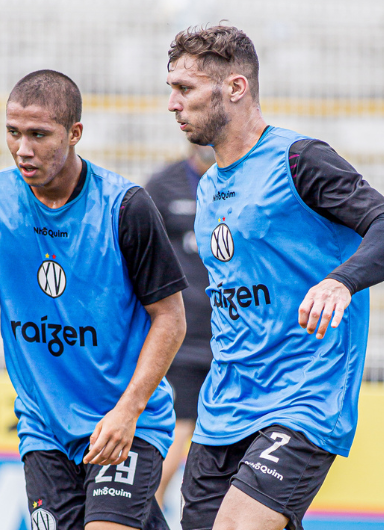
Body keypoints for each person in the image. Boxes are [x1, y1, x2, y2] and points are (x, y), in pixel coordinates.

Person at [165, 26, 384, 530]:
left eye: (185, 89)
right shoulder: (211, 185)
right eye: (171, 89)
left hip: (302, 399)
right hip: (224, 406)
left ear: (235, 88)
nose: (172, 103)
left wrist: (340, 281)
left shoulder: (298, 160)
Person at [0, 69, 188, 530]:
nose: (22, 149)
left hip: (124, 423)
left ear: (74, 134)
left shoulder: (125, 207)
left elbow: (170, 319)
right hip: (44, 429)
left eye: (38, 135)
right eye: (12, 133)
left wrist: (127, 410)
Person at [144, 144, 216, 507]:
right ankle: (146, 511)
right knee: (177, 427)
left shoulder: (247, 184)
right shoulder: (164, 184)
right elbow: (139, 252)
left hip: (237, 336)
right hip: (183, 335)